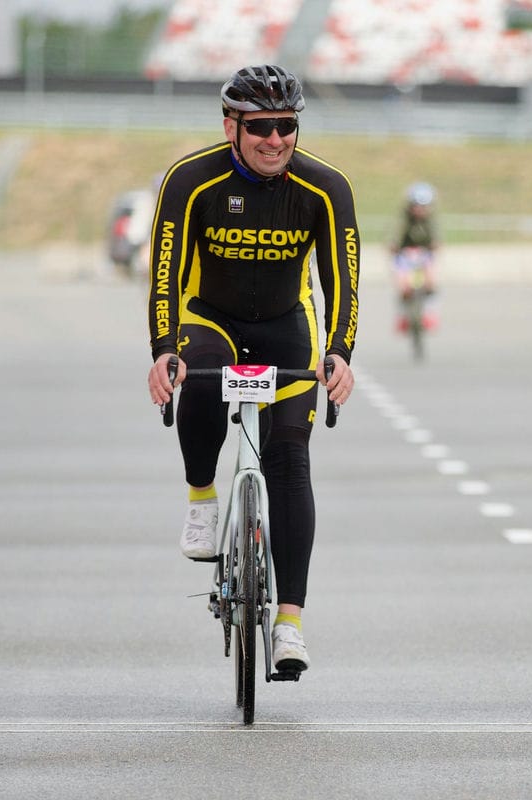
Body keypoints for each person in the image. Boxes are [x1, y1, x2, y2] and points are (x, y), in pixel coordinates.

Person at [145, 64, 360, 674]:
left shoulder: (325, 188)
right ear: (231, 127)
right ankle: (201, 495)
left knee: (291, 458)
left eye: (286, 126)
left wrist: (340, 353)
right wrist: (163, 349)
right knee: (203, 380)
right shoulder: (190, 181)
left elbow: (342, 283)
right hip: (209, 317)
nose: (275, 139)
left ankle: (289, 625)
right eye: (261, 126)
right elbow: (163, 275)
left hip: (284, 328)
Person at [391, 181, 440, 332]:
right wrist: (393, 246)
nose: (419, 210)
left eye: (423, 207)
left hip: (423, 255)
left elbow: (435, 240)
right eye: (416, 206)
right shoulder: (403, 221)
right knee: (402, 285)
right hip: (405, 256)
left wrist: (435, 246)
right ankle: (404, 317)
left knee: (431, 280)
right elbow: (394, 238)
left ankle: (429, 314)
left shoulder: (430, 222)